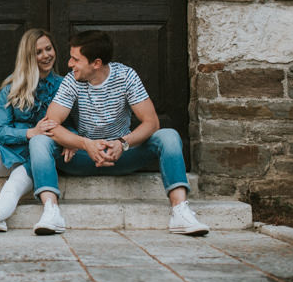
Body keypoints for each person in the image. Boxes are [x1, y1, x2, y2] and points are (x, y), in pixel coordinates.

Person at [27, 30, 209, 236]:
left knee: (169, 136)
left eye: (76, 59)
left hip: (121, 155)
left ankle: (180, 212)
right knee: (39, 141)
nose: (69, 64)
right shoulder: (72, 81)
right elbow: (51, 124)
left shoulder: (126, 76)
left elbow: (151, 123)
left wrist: (123, 143)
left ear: (96, 63)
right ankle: (51, 212)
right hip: (82, 157)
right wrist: (84, 144)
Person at [0, 28, 65, 234]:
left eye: (49, 49)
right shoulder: (12, 86)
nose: (46, 55)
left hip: (33, 159)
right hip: (6, 153)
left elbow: (73, 123)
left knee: (13, 187)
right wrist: (31, 132)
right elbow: (1, 130)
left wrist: (70, 142)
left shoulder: (63, 86)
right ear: (28, 56)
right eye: (38, 52)